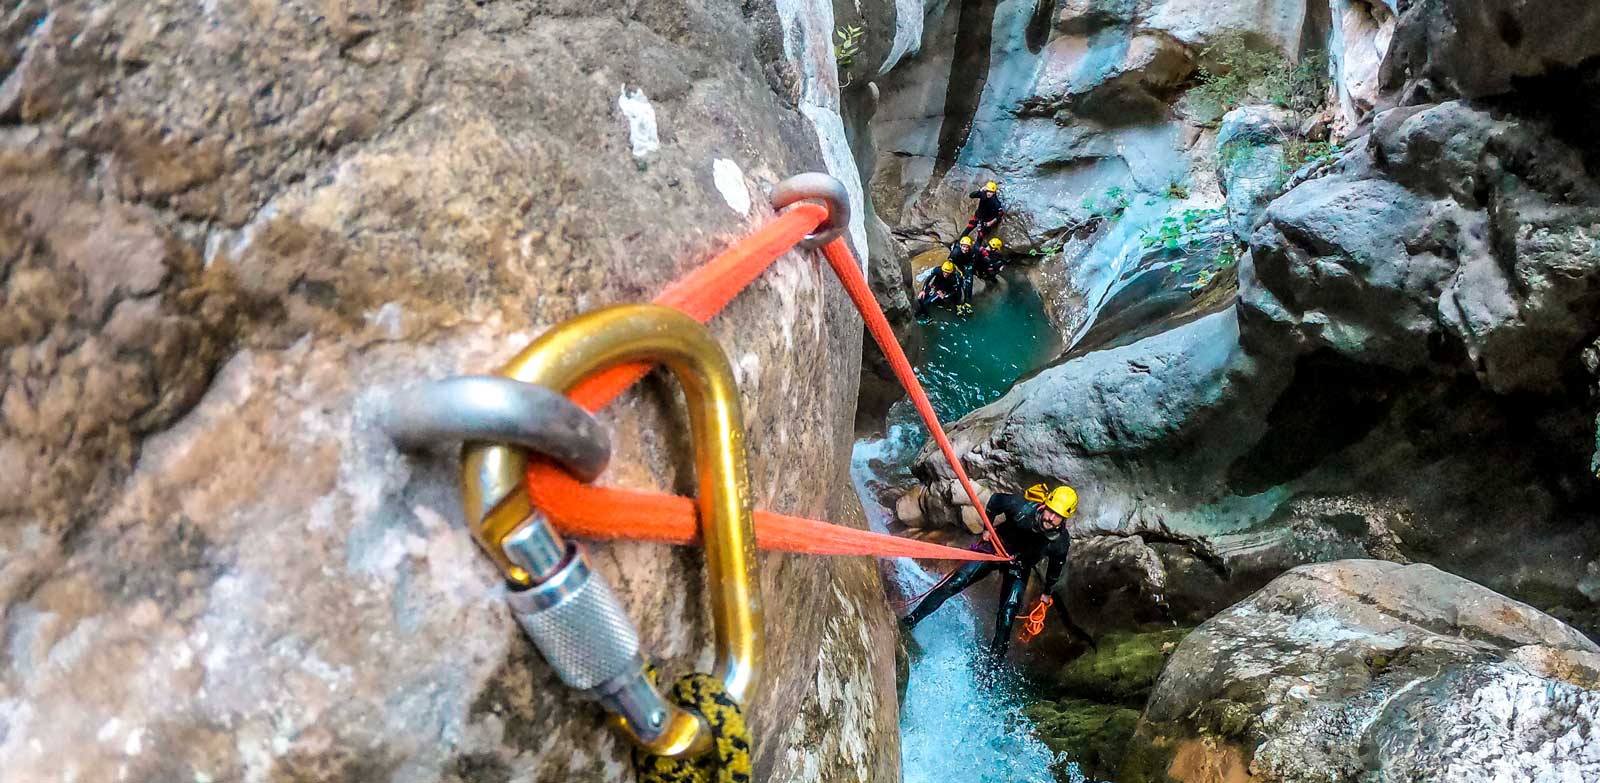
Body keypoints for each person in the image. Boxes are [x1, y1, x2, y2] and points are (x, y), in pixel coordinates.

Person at [900, 485, 1092, 661]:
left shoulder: (1059, 542)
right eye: (1050, 510)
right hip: (995, 547)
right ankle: (910, 622)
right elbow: (995, 501)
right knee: (955, 583)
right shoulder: (1021, 508)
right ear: (1045, 504)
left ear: (1065, 517)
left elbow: (1055, 568)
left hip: (1019, 565)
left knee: (1007, 616)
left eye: (1056, 515)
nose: (1050, 517)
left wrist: (1046, 593)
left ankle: (992, 670)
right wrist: (987, 529)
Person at [948, 235, 981, 314]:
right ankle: (958, 304)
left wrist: (969, 267)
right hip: (957, 266)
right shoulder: (955, 252)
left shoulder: (972, 251)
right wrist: (958, 270)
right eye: (963, 247)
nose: (965, 249)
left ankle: (967, 302)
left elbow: (973, 261)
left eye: (967, 247)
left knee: (969, 281)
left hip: (966, 265)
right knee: (958, 282)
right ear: (960, 246)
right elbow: (950, 263)